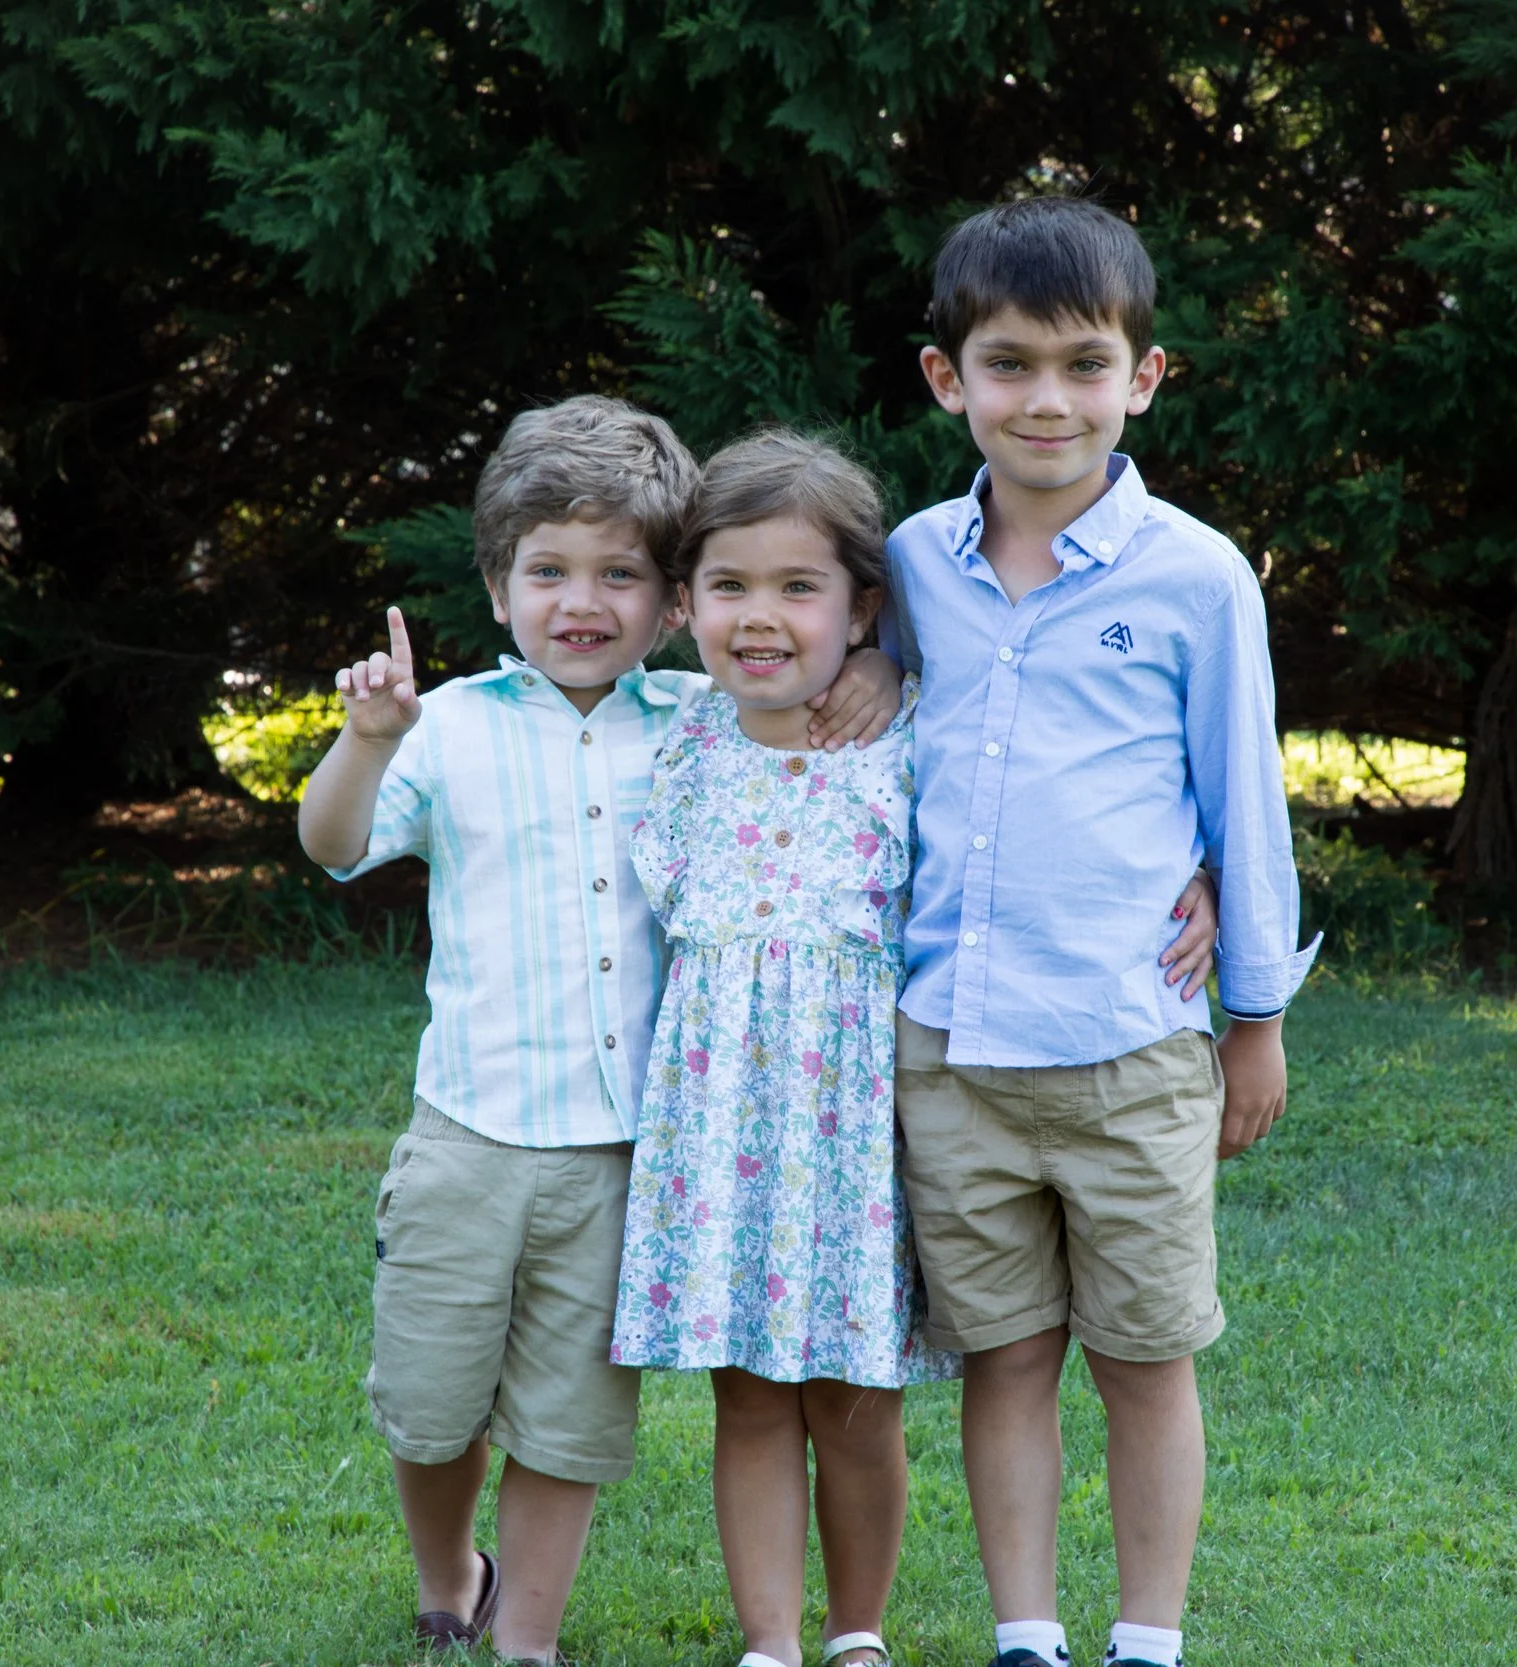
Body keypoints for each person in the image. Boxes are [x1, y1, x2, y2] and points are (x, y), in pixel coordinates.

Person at [296, 396, 899, 1663]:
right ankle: (446, 1568)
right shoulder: (447, 724)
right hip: (467, 1131)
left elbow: (809, 691)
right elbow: (336, 847)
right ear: (497, 581)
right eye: (549, 570)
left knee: (567, 1420)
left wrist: (878, 667)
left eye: (620, 571)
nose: (583, 600)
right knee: (428, 1407)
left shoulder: (698, 722)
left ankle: (527, 1635)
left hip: (624, 1151)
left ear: (669, 597)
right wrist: (363, 741)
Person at [609, 430, 1222, 1667]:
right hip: (720, 1137)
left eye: (799, 587)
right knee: (746, 1394)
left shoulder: (910, 743)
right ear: (683, 605)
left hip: (868, 1132)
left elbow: (1046, 809)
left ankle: (856, 1628)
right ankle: (770, 1638)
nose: (761, 617)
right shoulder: (667, 739)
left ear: (865, 605)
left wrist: (1195, 873)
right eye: (727, 587)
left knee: (856, 1396)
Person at [885, 198, 1320, 1667]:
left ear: (1143, 377)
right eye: (1008, 365)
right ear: (949, 379)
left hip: (1132, 1041)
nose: (1047, 399)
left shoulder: (1196, 576)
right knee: (1002, 1352)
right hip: (949, 1049)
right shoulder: (907, 565)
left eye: (1084, 363)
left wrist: (1251, 1016)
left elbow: (1242, 800)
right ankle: (1027, 1630)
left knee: (1145, 1355)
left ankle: (1147, 1637)